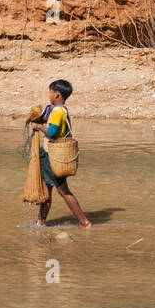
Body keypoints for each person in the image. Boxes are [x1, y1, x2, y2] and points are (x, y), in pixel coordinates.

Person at [32, 79, 91, 228]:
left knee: (63, 191)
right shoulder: (62, 110)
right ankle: (40, 222)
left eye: (50, 92)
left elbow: (51, 133)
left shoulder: (57, 112)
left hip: (53, 156)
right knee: (47, 189)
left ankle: (84, 222)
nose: (49, 95)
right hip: (56, 156)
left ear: (57, 94)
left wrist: (38, 126)